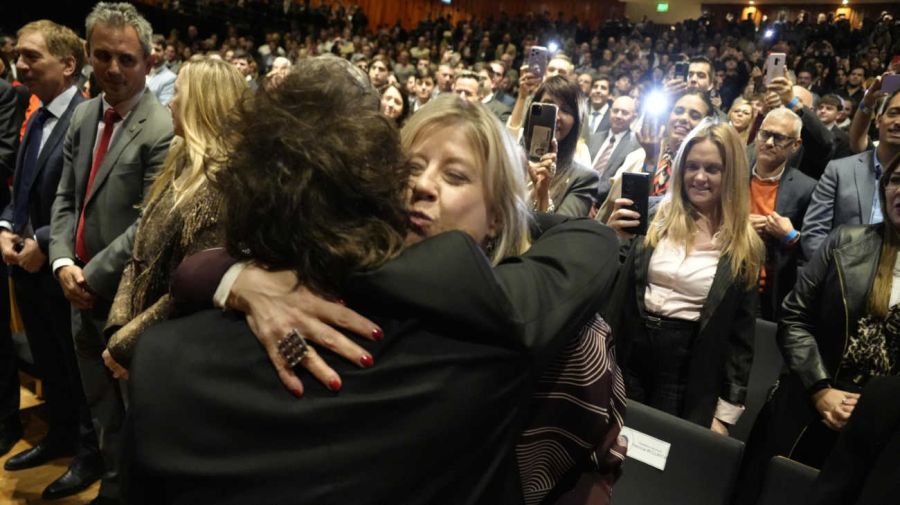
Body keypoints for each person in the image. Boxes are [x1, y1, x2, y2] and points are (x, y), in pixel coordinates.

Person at [124, 60, 622, 505]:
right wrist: (237, 276)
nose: (423, 187)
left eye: (455, 176)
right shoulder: (495, 342)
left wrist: (232, 276)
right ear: (375, 182)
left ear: (497, 215)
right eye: (410, 167)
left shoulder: (161, 357)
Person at [47, 3, 174, 503]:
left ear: (149, 60)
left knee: (134, 411)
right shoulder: (83, 113)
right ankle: (112, 486)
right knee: (100, 408)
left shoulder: (162, 128)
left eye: (126, 59)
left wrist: (89, 276)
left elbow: (149, 223)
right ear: (87, 54)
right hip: (77, 287)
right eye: (103, 56)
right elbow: (65, 198)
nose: (113, 70)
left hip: (127, 298)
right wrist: (61, 261)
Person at [735, 153, 900, 505]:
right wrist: (822, 389)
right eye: (897, 180)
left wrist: (873, 407)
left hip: (882, 433)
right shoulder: (845, 241)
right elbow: (794, 316)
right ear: (885, 188)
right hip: (809, 404)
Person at [605, 120, 764, 432]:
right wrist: (613, 239)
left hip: (684, 371)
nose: (699, 177)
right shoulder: (652, 217)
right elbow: (610, 283)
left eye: (712, 169)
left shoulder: (744, 246)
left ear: (729, 174)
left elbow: (740, 339)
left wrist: (724, 416)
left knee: (658, 457)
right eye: (692, 166)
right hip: (626, 355)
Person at [0, 20, 103, 500]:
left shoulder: (89, 117)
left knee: (74, 366)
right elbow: (19, 188)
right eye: (18, 54)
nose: (20, 64)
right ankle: (57, 436)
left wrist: (43, 239)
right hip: (25, 264)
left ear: (68, 64)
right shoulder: (36, 113)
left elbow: (87, 200)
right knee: (48, 361)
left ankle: (87, 452)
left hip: (62, 265)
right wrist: (4, 227)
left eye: (31, 56)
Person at [101, 57, 246, 375]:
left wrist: (127, 345)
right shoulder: (178, 161)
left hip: (170, 356)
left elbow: (188, 294)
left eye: (177, 94)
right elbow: (138, 253)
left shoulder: (219, 188)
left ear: (200, 105)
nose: (169, 102)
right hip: (140, 342)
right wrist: (118, 327)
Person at [802, 90, 900, 261]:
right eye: (893, 113)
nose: (898, 122)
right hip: (838, 277)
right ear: (878, 120)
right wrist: (839, 274)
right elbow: (814, 233)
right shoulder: (839, 170)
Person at [746, 107, 816, 321]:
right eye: (765, 134)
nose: (768, 143)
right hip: (727, 284)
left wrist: (790, 236)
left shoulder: (807, 188)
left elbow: (816, 251)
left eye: (778, 138)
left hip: (773, 296)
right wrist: (737, 225)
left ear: (795, 145)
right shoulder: (732, 174)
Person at [525, 76, 599, 217]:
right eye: (549, 106)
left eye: (565, 110)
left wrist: (543, 196)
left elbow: (563, 234)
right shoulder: (510, 159)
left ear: (576, 121)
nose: (556, 117)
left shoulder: (583, 179)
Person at [589, 95, 641, 206]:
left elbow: (616, 182)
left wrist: (592, 200)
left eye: (625, 113)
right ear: (610, 112)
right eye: (615, 111)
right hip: (580, 194)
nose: (618, 116)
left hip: (604, 205)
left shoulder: (636, 146)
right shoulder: (593, 138)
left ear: (634, 117)